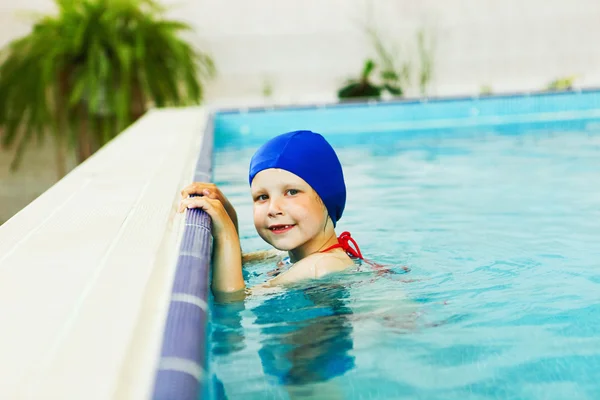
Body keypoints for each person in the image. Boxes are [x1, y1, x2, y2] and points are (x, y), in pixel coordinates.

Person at [178, 130, 364, 301]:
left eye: (291, 192)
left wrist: (225, 234)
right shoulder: (289, 257)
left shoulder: (321, 266)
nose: (273, 209)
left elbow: (233, 298)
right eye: (262, 197)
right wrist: (226, 211)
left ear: (328, 198)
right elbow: (236, 262)